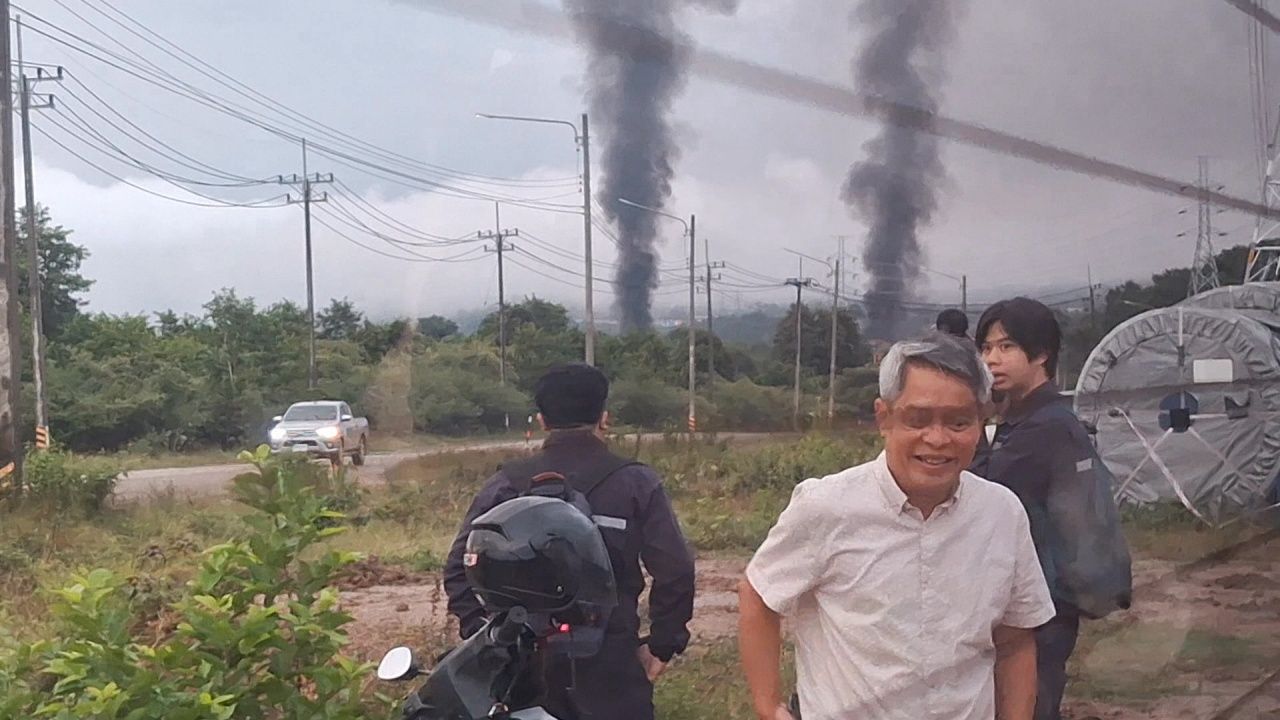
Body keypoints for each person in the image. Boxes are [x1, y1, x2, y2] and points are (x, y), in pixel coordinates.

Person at [739, 333, 1055, 720]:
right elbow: (759, 593)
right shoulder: (827, 507)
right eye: (918, 420)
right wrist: (768, 706)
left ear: (981, 421)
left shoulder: (1001, 513)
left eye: (958, 422)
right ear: (884, 418)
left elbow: (1015, 640)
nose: (937, 439)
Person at [443, 363, 696, 720]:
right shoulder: (636, 483)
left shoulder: (506, 484)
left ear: (542, 421)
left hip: (520, 671)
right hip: (611, 664)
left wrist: (488, 638)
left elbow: (459, 566)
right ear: (604, 418)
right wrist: (662, 644)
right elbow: (676, 569)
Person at [971, 297, 1131, 720]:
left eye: (1006, 347)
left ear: (1041, 354)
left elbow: (981, 496)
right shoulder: (1035, 419)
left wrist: (974, 421)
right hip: (1044, 598)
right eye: (986, 348)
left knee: (1026, 704)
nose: (991, 359)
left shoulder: (1044, 428)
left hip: (1041, 604)